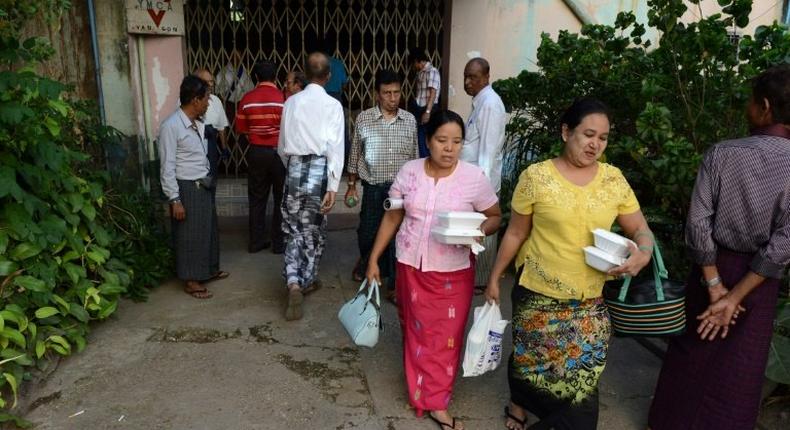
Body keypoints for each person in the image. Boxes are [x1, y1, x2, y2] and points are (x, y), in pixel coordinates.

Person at [485, 98, 653, 430]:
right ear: (566, 132)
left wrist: (643, 252)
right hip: (537, 295)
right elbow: (516, 233)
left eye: (603, 138)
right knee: (528, 365)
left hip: (588, 302)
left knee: (580, 405)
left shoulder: (613, 179)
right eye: (588, 134)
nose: (595, 144)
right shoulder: (536, 177)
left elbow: (640, 229)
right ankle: (518, 404)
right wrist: (494, 277)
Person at [648, 65, 790, 430]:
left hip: (711, 270)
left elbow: (698, 222)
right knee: (740, 366)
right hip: (758, 283)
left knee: (693, 351)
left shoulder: (722, 154)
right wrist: (735, 298)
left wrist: (716, 289)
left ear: (763, 106)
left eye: (750, 101)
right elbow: (782, 245)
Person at [366, 110, 502, 430]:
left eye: (456, 142)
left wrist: (478, 230)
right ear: (428, 142)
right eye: (442, 140)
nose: (449, 148)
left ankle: (437, 401)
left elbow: (495, 215)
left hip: (453, 271)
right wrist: (374, 259)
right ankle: (419, 394)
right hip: (411, 265)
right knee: (416, 332)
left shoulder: (473, 178)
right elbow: (392, 217)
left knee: (446, 338)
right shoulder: (410, 172)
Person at [277, 52, 345, 321]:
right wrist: (333, 186)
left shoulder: (291, 103)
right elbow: (336, 149)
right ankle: (307, 279)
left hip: (294, 168)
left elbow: (282, 146)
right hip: (319, 171)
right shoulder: (333, 106)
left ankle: (293, 281)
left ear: (304, 74)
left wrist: (293, 168)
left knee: (292, 227)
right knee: (313, 228)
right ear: (328, 76)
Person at [346, 69, 418, 294]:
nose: (393, 97)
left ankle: (394, 285)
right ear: (377, 94)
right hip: (373, 188)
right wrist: (350, 186)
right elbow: (355, 153)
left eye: (396, 92)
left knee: (398, 238)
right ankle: (369, 264)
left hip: (400, 192)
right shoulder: (364, 118)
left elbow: (415, 157)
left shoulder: (409, 120)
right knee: (367, 233)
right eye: (387, 93)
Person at [158, 75, 230, 299]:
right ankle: (191, 279)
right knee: (189, 235)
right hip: (186, 187)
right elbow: (167, 166)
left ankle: (207, 269)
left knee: (207, 231)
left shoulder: (197, 123)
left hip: (202, 184)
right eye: (207, 98)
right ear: (195, 100)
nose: (209, 102)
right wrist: (175, 199)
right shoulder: (171, 126)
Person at [459, 57, 507, 290]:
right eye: (466, 76)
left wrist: (483, 191)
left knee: (485, 229)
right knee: (476, 229)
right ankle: (477, 277)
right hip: (475, 181)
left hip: (482, 184)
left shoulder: (489, 104)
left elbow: (487, 151)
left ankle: (482, 281)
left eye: (474, 78)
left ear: (487, 77)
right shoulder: (480, 101)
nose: (468, 82)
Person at [235, 61, 286, 254]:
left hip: (256, 152)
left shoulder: (247, 99)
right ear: (276, 76)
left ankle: (256, 242)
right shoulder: (283, 99)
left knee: (257, 198)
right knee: (281, 198)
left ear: (256, 77)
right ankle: (278, 243)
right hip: (278, 153)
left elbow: (242, 130)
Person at [194, 68, 230, 177]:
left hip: (211, 143)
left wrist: (224, 147)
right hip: (193, 144)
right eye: (208, 81)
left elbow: (221, 126)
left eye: (212, 81)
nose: (211, 84)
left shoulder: (215, 101)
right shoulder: (186, 100)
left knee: (211, 176)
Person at [408, 47, 440, 158]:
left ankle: (425, 161)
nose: (413, 66)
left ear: (418, 60)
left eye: (413, 63)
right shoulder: (420, 73)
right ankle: (421, 160)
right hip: (419, 108)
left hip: (428, 108)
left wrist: (427, 111)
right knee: (418, 137)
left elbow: (433, 93)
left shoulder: (432, 71)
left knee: (424, 137)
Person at [215, 49, 253, 121]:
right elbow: (218, 92)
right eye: (234, 56)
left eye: (239, 55)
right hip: (228, 105)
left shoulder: (245, 72)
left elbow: (250, 89)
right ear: (230, 56)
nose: (237, 58)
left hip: (242, 105)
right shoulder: (222, 72)